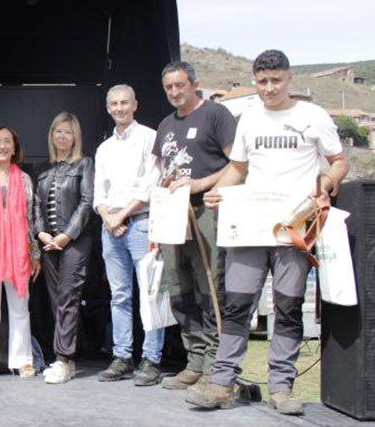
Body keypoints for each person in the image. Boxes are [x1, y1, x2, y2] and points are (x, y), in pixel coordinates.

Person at [189, 50, 348, 415]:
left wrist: (326, 183)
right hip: (250, 228)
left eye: (276, 80)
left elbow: (339, 162)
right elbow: (238, 168)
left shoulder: (313, 116)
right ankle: (222, 382)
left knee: (288, 306)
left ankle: (281, 388)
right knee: (237, 305)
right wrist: (218, 191)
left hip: (294, 228)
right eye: (262, 81)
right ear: (255, 81)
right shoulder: (248, 119)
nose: (269, 88)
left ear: (289, 78)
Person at [152, 61, 236, 392]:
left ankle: (215, 366)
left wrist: (202, 184)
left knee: (209, 286)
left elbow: (237, 164)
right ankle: (195, 361)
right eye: (169, 87)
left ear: (194, 84)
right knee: (179, 288)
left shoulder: (216, 114)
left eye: (180, 85)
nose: (175, 92)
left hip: (206, 211)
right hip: (172, 214)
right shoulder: (164, 125)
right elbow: (164, 173)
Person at [93, 85, 164, 385]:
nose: (119, 108)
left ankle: (151, 358)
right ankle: (122, 356)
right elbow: (99, 192)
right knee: (119, 296)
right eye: (114, 104)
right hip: (111, 228)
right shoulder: (104, 148)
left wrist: (120, 216)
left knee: (150, 295)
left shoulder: (150, 138)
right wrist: (109, 217)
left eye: (124, 103)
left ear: (135, 104)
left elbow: (151, 185)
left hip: (140, 223)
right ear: (108, 108)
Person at [33, 112, 95, 384]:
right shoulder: (43, 170)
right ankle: (67, 361)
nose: (62, 136)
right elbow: (35, 205)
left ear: (75, 137)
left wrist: (67, 236)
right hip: (49, 244)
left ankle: (62, 359)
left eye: (67, 132)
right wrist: (41, 233)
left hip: (75, 243)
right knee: (56, 300)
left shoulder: (84, 164)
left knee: (68, 297)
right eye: (58, 131)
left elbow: (87, 202)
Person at [0, 126, 40, 378]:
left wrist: (35, 254)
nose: (2, 146)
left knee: (20, 309)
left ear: (15, 147)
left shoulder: (24, 178)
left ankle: (22, 360)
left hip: (18, 253)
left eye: (7, 142)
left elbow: (31, 219)